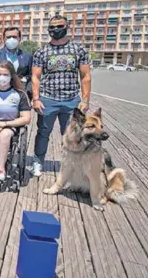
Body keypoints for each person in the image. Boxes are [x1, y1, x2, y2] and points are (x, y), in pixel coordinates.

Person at [32, 15, 91, 177]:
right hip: (48, 99)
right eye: (52, 27)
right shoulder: (41, 51)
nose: (56, 30)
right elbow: (35, 77)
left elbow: (85, 76)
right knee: (43, 132)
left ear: (66, 27)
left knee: (73, 135)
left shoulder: (79, 50)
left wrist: (85, 100)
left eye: (60, 26)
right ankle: (38, 161)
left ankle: (72, 165)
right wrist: (36, 98)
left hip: (72, 100)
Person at [0, 27, 33, 98]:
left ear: (19, 39)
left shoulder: (28, 56)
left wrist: (27, 92)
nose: (11, 39)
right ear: (4, 39)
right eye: (8, 37)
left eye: (14, 37)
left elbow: (32, 76)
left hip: (21, 95)